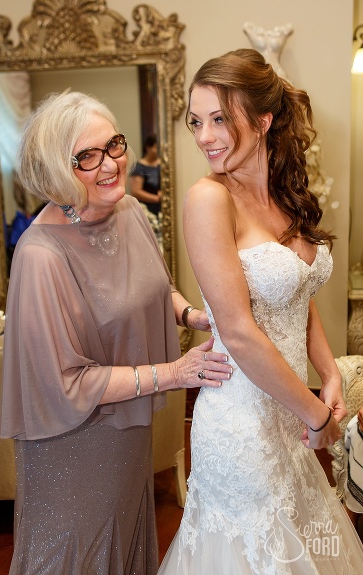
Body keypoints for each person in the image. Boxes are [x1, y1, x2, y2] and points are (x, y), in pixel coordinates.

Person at [0, 90, 232, 574]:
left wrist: (192, 315)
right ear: (56, 169)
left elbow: (152, 290)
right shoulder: (40, 256)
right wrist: (176, 372)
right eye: (87, 156)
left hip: (128, 433)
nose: (110, 164)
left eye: (114, 146)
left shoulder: (129, 213)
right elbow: (68, 383)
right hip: (74, 446)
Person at [159, 48, 363, 573]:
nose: (204, 136)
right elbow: (240, 333)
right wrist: (317, 413)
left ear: (264, 120)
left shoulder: (286, 194)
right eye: (196, 122)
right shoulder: (209, 199)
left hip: (290, 412)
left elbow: (300, 296)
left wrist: (327, 375)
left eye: (220, 119)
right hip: (242, 422)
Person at [130, 133, 162, 216]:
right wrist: (157, 199)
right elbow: (136, 192)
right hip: (147, 210)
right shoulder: (139, 167)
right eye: (156, 147)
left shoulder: (162, 164)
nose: (158, 151)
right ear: (148, 148)